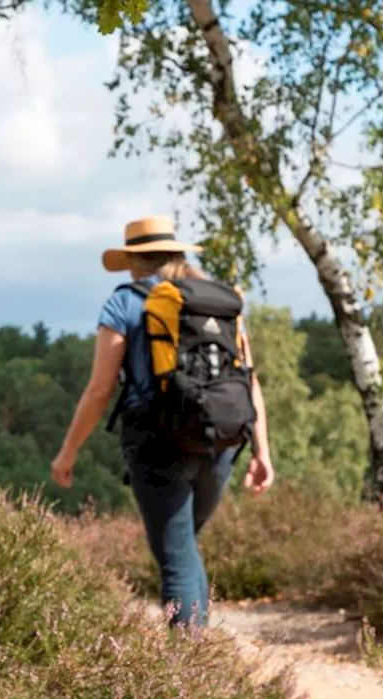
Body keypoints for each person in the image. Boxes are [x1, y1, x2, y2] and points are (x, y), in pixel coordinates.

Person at [50, 215, 274, 629]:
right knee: (184, 548)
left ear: (134, 261)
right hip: (221, 439)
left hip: (155, 443)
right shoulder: (220, 300)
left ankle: (186, 672)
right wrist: (262, 452)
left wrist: (67, 453)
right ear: (177, 252)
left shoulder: (124, 301)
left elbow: (100, 390)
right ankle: (200, 661)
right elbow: (249, 379)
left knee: (176, 559)